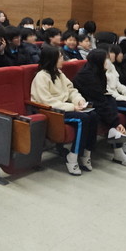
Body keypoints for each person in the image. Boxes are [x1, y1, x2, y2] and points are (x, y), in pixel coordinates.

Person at [30, 45, 98, 176]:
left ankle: (86, 153)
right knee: (82, 119)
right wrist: (73, 107)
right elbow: (47, 102)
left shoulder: (59, 73)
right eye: (60, 57)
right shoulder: (41, 77)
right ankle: (72, 156)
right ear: (52, 59)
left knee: (93, 114)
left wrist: (79, 100)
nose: (63, 59)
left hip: (65, 107)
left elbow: (71, 90)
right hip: (53, 112)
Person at [73, 50, 126, 167]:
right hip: (90, 103)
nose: (107, 61)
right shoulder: (87, 75)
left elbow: (118, 86)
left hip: (112, 97)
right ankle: (123, 147)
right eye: (106, 58)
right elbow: (101, 97)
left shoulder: (105, 69)